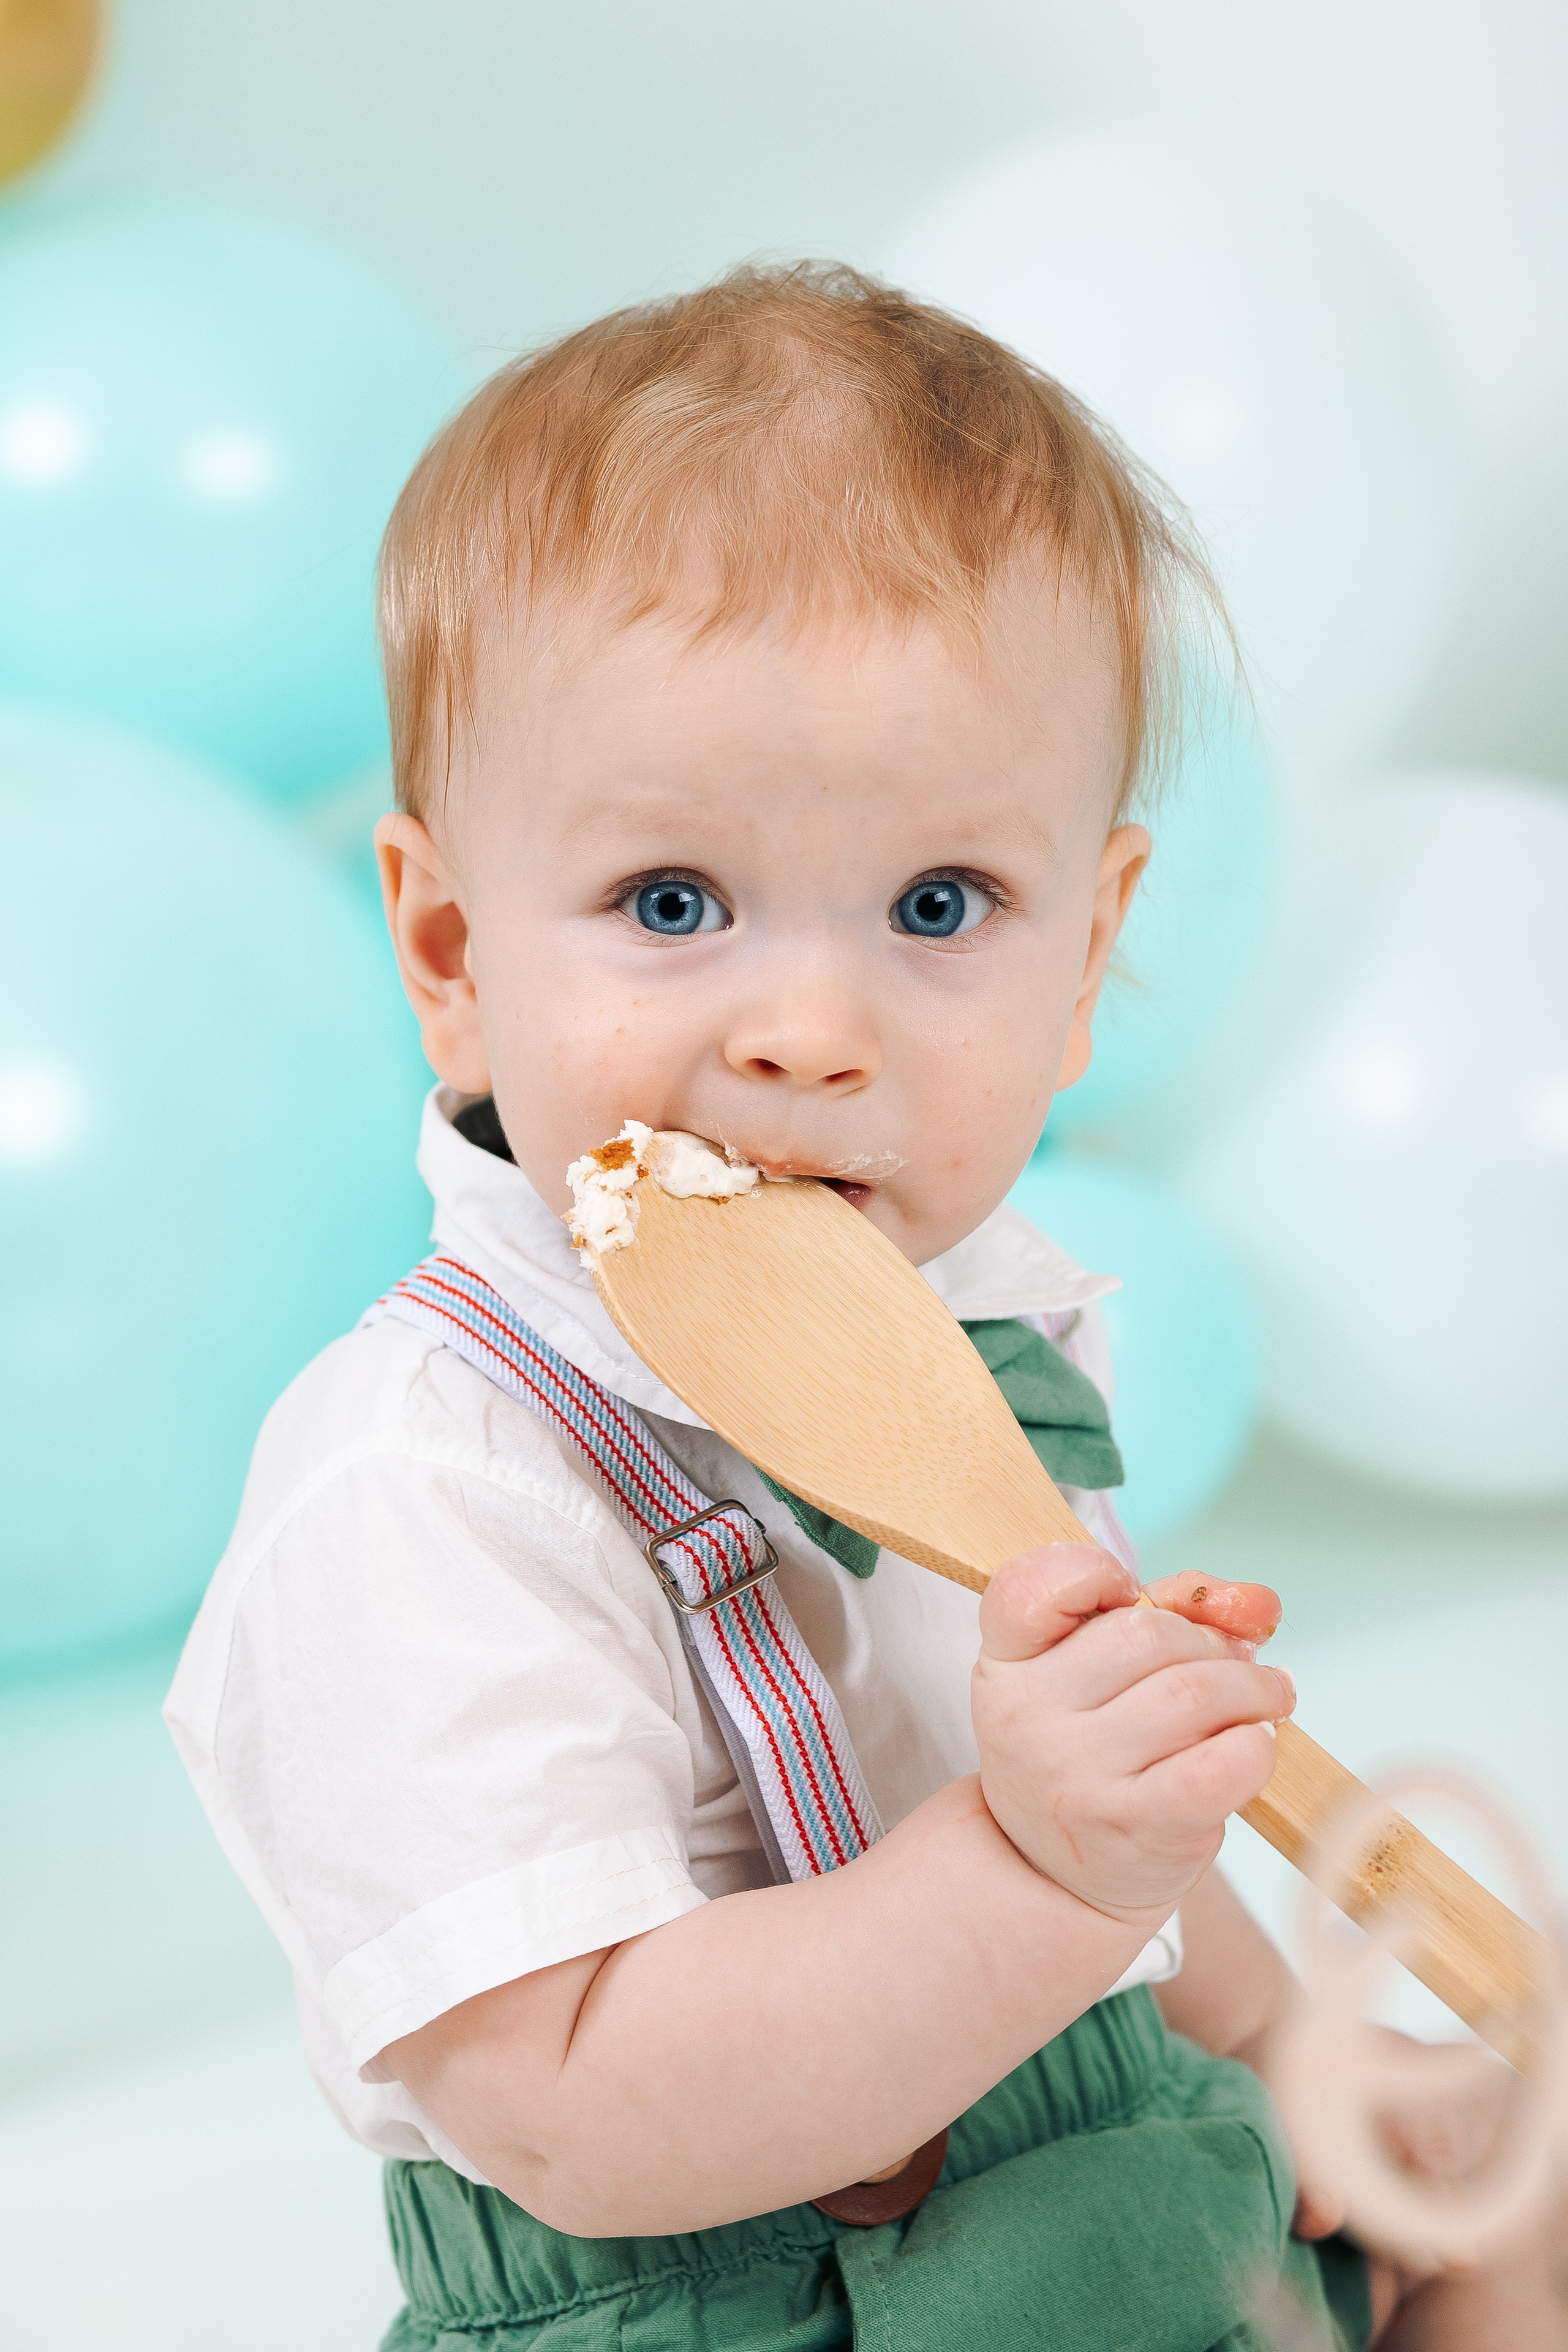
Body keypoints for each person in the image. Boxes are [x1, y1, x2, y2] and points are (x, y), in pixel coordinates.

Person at [165, 264, 1560, 2349]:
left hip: (1092, 2173)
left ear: (1085, 961)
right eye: (671, 904)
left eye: (937, 908)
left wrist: (1289, 2075)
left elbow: (1150, 1898)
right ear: (452, 947)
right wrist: (1033, 1863)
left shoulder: (981, 1346)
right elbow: (575, 2106)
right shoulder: (423, 1488)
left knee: (1509, 2201)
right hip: (739, 2287)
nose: (810, 1028)